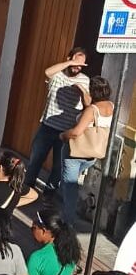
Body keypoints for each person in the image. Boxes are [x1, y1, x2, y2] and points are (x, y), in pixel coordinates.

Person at [24, 48, 91, 194]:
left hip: (66, 132)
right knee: (36, 160)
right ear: (68, 59)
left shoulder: (84, 80)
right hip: (47, 127)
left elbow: (88, 103)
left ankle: (48, 194)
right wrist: (70, 63)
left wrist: (82, 91)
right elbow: (47, 72)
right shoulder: (57, 75)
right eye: (75, 62)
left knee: (58, 167)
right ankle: (26, 189)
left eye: (81, 65)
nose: (78, 67)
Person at [60, 74, 113, 223]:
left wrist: (63, 135)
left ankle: (66, 224)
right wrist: (83, 93)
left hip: (76, 153)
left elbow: (76, 132)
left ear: (93, 91)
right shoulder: (111, 106)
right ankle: (70, 211)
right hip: (92, 155)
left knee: (69, 187)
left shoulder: (92, 110)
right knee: (72, 182)